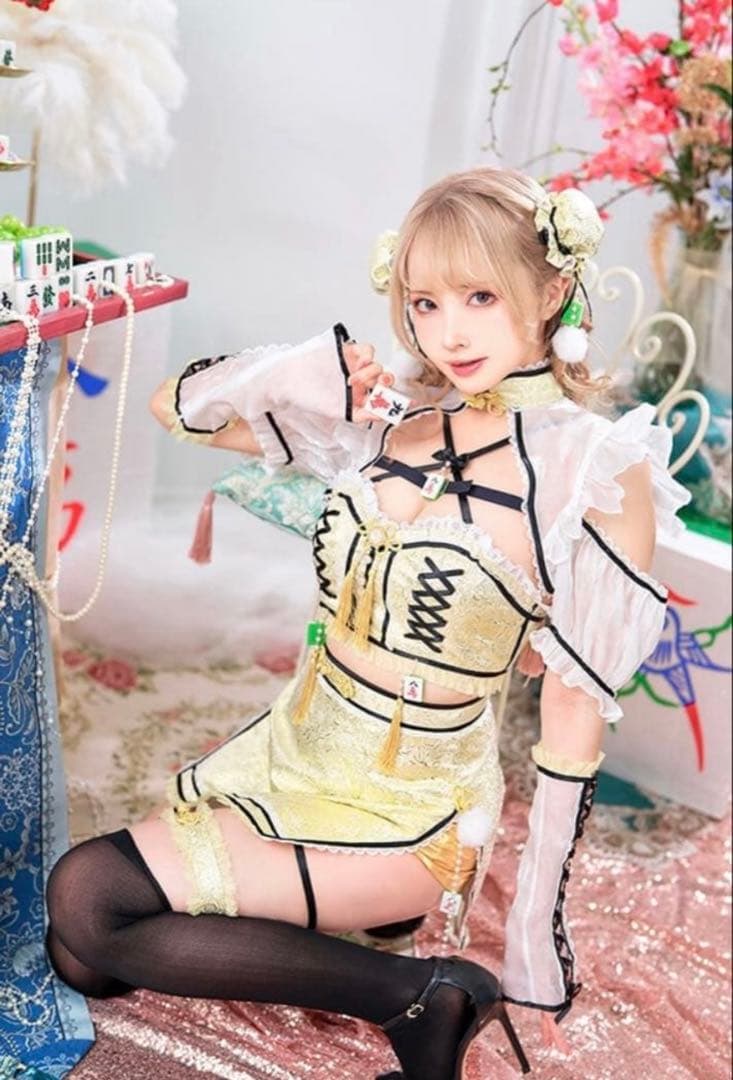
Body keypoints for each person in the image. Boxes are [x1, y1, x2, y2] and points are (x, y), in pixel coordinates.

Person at [44, 167, 689, 1079]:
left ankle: (422, 995)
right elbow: (176, 413)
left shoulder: (595, 471)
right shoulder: (390, 418)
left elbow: (573, 718)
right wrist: (292, 373)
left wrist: (534, 943)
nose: (448, 332)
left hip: (413, 806)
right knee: (81, 956)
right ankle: (387, 960)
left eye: (478, 296)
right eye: (425, 303)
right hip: (294, 752)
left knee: (88, 899)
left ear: (551, 290)